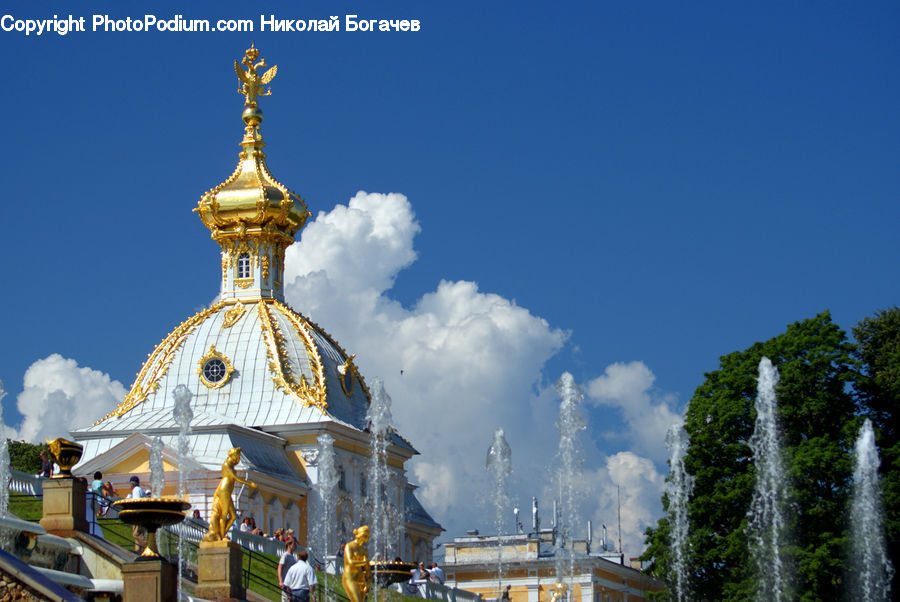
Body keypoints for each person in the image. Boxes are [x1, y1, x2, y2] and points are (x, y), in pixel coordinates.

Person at [202, 447, 258, 542]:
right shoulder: (227, 464)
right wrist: (250, 483)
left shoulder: (231, 464)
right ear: (232, 455)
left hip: (228, 491)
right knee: (224, 515)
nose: (238, 458)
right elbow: (236, 478)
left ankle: (222, 533)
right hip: (224, 490)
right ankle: (221, 537)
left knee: (233, 516)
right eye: (237, 456)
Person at [342, 526, 371, 602]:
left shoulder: (364, 549)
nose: (367, 538)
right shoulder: (349, 546)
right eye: (366, 536)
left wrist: (368, 581)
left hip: (361, 580)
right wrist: (364, 562)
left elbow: (367, 568)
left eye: (368, 536)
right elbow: (350, 562)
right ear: (360, 535)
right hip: (350, 578)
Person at [126, 476, 148, 552]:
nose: (130, 486)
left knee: (136, 534)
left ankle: (147, 547)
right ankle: (138, 551)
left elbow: (137, 502)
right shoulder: (140, 490)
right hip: (144, 515)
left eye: (130, 484)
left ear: (132, 484)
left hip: (138, 515)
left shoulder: (135, 490)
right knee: (139, 534)